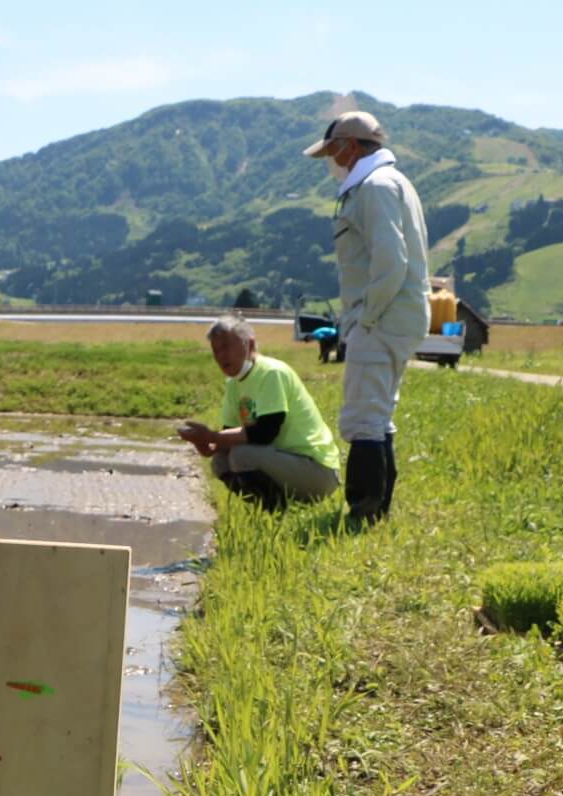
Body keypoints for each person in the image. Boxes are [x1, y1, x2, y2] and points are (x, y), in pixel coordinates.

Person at [305, 109, 430, 523]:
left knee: (361, 418)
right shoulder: (391, 183)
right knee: (378, 414)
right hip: (396, 314)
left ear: (353, 146)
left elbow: (390, 261)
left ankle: (363, 512)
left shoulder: (374, 187)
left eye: (334, 151)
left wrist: (367, 318)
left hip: (381, 316)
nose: (331, 160)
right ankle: (377, 511)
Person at [177, 317, 341, 510]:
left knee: (242, 455)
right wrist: (206, 444)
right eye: (216, 351)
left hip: (318, 470)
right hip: (285, 462)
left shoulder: (271, 373)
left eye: (226, 346)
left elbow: (266, 433)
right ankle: (269, 510)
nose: (221, 356)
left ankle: (276, 509)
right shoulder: (234, 383)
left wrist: (212, 436)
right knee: (220, 462)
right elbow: (227, 438)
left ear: (250, 344)